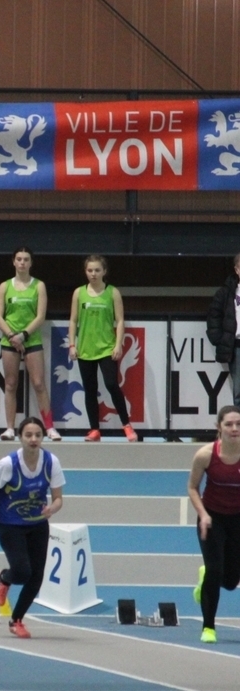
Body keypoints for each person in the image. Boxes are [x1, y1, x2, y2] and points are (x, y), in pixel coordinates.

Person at [0, 416, 65, 639]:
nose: (33, 439)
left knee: (36, 577)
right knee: (22, 572)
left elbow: (58, 498)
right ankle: (5, 578)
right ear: (20, 437)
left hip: (38, 524)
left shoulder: (51, 462)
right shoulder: (8, 464)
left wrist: (51, 509)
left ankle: (16, 619)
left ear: (43, 438)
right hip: (11, 524)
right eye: (28, 435)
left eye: (38, 435)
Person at [0, 247, 61, 441]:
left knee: (39, 383)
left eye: (26, 259)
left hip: (31, 339)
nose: (22, 262)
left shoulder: (39, 286)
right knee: (10, 384)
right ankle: (10, 428)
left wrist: (23, 335)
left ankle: (50, 428)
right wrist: (11, 335)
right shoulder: (5, 286)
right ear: (13, 261)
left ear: (31, 263)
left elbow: (40, 316)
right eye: (19, 259)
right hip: (10, 340)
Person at [68, 254, 137, 442]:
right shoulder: (78, 293)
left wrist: (118, 344)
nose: (93, 274)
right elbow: (73, 320)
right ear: (85, 272)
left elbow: (120, 320)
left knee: (112, 384)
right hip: (85, 349)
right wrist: (72, 344)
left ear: (104, 271)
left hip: (107, 348)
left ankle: (126, 424)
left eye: (97, 270)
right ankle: (94, 429)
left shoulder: (112, 292)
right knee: (90, 389)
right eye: (90, 270)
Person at [187, 405, 240, 644]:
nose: (234, 428)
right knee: (214, 569)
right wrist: (203, 514)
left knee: (230, 581)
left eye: (238, 424)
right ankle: (208, 627)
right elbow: (192, 487)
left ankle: (207, 576)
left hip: (237, 518)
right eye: (229, 424)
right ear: (219, 427)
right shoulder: (206, 455)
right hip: (212, 518)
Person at [206, 253, 240, 407]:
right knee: (239, 392)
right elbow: (214, 317)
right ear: (237, 270)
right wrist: (221, 340)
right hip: (237, 347)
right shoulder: (225, 293)